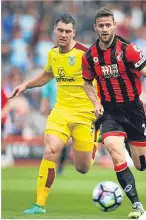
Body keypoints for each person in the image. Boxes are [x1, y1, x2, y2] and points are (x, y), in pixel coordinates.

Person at [8, 14, 97, 214]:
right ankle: (39, 204)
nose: (63, 34)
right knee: (51, 150)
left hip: (85, 115)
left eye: (68, 31)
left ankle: (94, 143)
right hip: (61, 112)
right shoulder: (52, 53)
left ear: (73, 33)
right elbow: (47, 75)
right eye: (60, 30)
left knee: (82, 168)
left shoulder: (87, 54)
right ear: (55, 31)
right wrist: (26, 85)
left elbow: (102, 78)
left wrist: (101, 105)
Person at [82, 8, 146, 219]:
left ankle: (128, 142)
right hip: (110, 112)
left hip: (133, 111)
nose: (104, 29)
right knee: (112, 147)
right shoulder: (90, 56)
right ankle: (137, 205)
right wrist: (95, 102)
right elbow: (86, 81)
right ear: (95, 28)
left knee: (141, 166)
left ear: (114, 25)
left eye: (108, 25)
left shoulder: (128, 50)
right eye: (100, 25)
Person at [40, 79, 69, 175]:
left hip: (66, 112)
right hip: (53, 112)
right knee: (50, 142)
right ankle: (50, 165)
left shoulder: (67, 77)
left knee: (64, 143)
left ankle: (60, 166)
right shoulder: (50, 80)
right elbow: (45, 95)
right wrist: (46, 110)